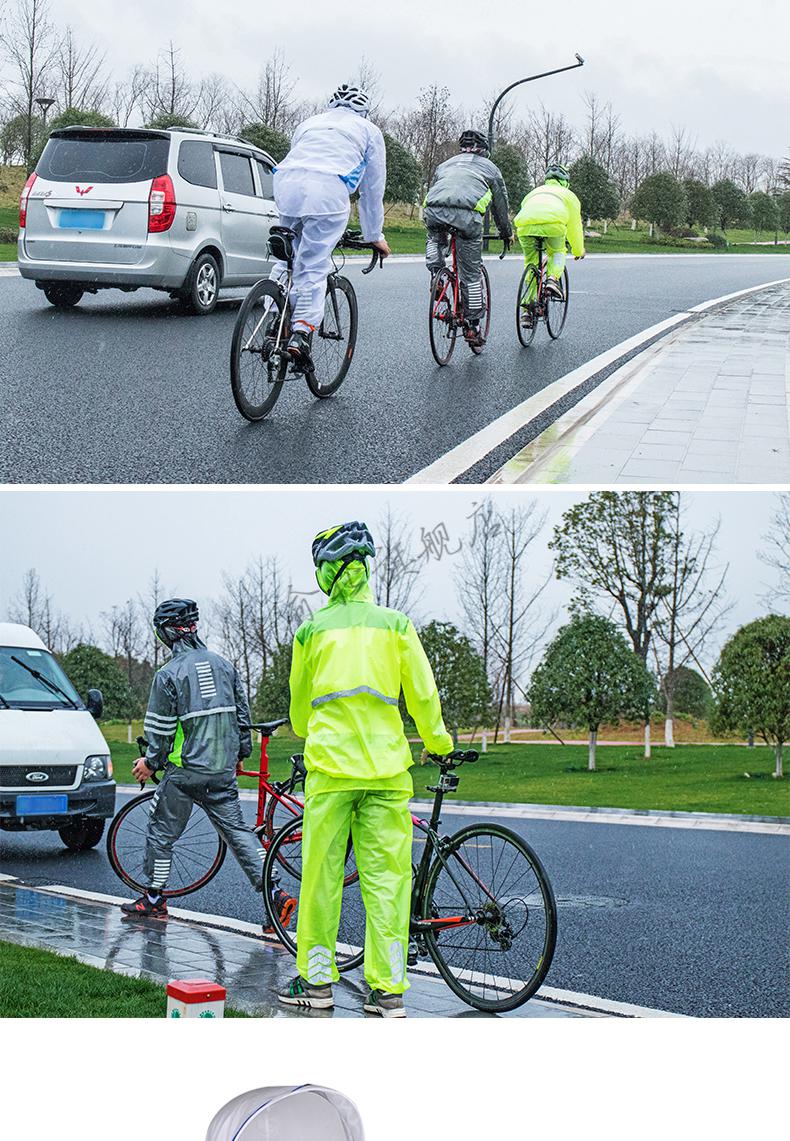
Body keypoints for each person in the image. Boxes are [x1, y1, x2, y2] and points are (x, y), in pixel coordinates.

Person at [277, 522, 454, 1018]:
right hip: (387, 773)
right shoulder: (396, 625)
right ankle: (389, 991)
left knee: (321, 880)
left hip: (331, 773)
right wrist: (438, 742)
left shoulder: (311, 631)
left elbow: (299, 716)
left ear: (328, 573)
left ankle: (316, 983)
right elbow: (422, 693)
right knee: (388, 884)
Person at [120, 598, 295, 931]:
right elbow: (243, 715)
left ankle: (154, 898)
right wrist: (241, 752)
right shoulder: (224, 665)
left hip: (185, 772)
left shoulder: (168, 674)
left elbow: (160, 729)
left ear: (166, 632)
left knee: (161, 832)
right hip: (222, 769)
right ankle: (275, 893)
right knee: (239, 833)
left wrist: (151, 763)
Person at [269, 83, 391, 366]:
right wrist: (374, 235)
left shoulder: (309, 123)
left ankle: (275, 315)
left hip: (286, 184)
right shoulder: (369, 130)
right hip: (327, 190)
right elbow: (372, 190)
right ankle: (300, 333)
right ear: (364, 110)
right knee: (312, 262)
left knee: (287, 256)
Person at [424, 129, 512, 346]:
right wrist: (506, 232)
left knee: (435, 238)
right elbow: (500, 205)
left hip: (433, 210)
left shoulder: (444, 165)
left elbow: (437, 189)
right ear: (484, 150)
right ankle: (473, 327)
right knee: (471, 274)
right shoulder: (491, 168)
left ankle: (436, 275)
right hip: (467, 217)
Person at [513, 162, 585, 324]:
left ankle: (527, 311)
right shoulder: (569, 196)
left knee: (531, 263)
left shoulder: (533, 192)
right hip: (553, 225)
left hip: (525, 227)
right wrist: (578, 250)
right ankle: (552, 279)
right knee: (557, 251)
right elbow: (574, 226)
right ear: (565, 181)